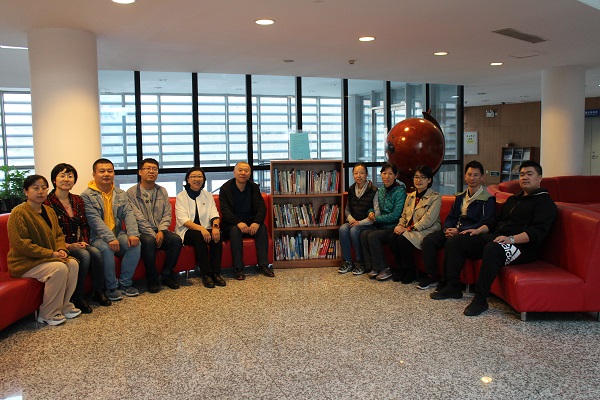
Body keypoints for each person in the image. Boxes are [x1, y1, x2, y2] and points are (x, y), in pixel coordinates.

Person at [431, 160, 557, 317]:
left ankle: (480, 298)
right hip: (498, 238)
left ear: (540, 177)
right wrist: (478, 230)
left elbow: (537, 233)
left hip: (523, 247)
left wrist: (511, 239)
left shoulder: (545, 202)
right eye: (522, 174)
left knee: (493, 248)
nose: (525, 177)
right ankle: (453, 286)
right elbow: (494, 222)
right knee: (457, 240)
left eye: (529, 174)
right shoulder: (513, 199)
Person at [7, 175, 81, 326]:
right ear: (26, 191)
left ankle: (64, 306)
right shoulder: (19, 212)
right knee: (59, 268)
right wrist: (51, 254)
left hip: (46, 258)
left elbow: (58, 235)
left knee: (73, 264)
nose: (40, 191)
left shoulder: (48, 210)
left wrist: (61, 249)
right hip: (25, 262)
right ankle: (47, 313)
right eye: (35, 188)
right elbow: (22, 244)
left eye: (43, 188)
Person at [419, 160, 495, 290]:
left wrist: (459, 230)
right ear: (465, 176)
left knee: (452, 242)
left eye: (476, 175)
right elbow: (451, 216)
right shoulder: (460, 196)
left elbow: (484, 222)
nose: (472, 178)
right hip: (454, 229)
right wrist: (447, 229)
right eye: (469, 174)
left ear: (482, 177)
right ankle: (431, 276)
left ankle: (448, 281)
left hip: (471, 233)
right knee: (429, 240)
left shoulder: (487, 199)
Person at [45, 163, 110, 312]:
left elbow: (84, 225)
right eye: (62, 176)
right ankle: (77, 296)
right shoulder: (47, 202)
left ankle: (98, 291)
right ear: (54, 180)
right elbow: (49, 232)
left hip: (78, 242)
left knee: (96, 252)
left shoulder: (77, 200)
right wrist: (67, 245)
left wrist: (84, 241)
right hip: (60, 246)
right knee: (84, 255)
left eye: (70, 176)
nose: (66, 179)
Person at [81, 158, 141, 301]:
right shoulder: (86, 196)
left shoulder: (120, 193)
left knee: (135, 244)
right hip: (97, 236)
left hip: (117, 233)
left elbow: (129, 214)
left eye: (110, 171)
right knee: (106, 249)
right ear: (94, 174)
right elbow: (94, 221)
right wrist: (110, 238)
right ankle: (111, 287)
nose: (106, 174)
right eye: (102, 171)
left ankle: (125, 284)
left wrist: (133, 234)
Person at [127, 158, 182, 293]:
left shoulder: (162, 191)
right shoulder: (131, 193)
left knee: (176, 240)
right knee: (149, 241)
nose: (151, 171)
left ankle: (167, 275)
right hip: (142, 231)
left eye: (154, 169)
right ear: (140, 172)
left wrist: (162, 231)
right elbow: (137, 217)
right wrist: (153, 234)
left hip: (160, 229)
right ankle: (152, 278)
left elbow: (167, 213)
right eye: (148, 168)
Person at [387, 165, 441, 285]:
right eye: (416, 177)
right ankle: (401, 269)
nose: (419, 180)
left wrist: (408, 228)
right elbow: (404, 215)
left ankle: (410, 271)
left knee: (402, 239)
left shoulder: (435, 197)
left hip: (426, 230)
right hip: (410, 229)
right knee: (392, 237)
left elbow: (428, 220)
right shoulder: (410, 196)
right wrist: (400, 226)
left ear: (429, 180)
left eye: (423, 177)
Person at [219, 162, 273, 280]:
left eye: (246, 171)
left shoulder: (254, 187)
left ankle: (263, 265)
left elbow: (262, 208)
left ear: (250, 173)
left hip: (250, 224)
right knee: (235, 230)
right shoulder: (225, 189)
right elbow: (225, 210)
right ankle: (238, 268)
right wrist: (238, 222)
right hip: (232, 225)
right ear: (234, 172)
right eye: (240, 170)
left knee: (262, 228)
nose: (243, 173)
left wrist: (256, 222)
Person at [175, 167, 224, 288]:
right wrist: (201, 229)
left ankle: (216, 273)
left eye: (199, 176)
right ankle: (206, 274)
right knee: (199, 236)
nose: (196, 179)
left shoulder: (207, 195)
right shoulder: (181, 196)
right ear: (188, 179)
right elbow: (183, 220)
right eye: (193, 176)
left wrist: (215, 227)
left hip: (206, 228)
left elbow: (214, 213)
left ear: (203, 179)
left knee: (217, 236)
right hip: (187, 231)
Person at [359, 162, 406, 279]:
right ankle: (372, 267)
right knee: (363, 234)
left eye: (390, 174)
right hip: (381, 225)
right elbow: (373, 206)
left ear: (396, 175)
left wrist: (377, 219)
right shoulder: (380, 190)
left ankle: (384, 268)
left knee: (373, 236)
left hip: (393, 226)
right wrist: (370, 212)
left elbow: (396, 215)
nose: (386, 176)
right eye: (384, 173)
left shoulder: (400, 191)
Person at [338, 163, 378, 274]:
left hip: (368, 223)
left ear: (366, 174)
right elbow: (347, 210)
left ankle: (360, 263)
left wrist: (359, 223)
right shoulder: (351, 190)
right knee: (343, 228)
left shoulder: (373, 190)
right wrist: (351, 220)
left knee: (354, 230)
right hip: (354, 221)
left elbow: (376, 213)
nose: (358, 176)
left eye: (361, 173)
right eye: (356, 173)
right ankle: (347, 261)